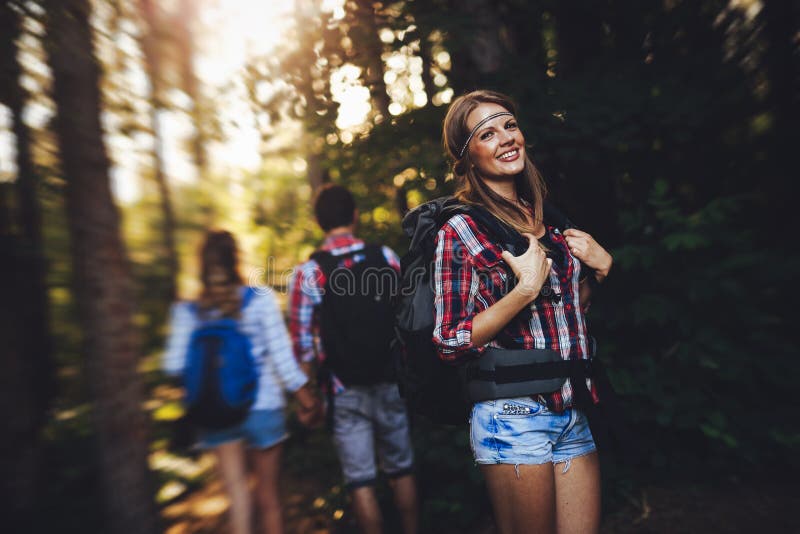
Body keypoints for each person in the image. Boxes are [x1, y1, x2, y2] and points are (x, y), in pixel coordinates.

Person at [433, 90, 613, 534]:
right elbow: (449, 339)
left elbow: (571, 310)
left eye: (509, 125)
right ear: (468, 157)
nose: (505, 138)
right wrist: (524, 289)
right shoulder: (461, 230)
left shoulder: (548, 219)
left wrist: (602, 272)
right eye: (486, 133)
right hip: (512, 416)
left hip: (571, 409)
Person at [163, 230, 321, 534]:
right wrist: (308, 402)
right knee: (268, 498)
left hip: (216, 412)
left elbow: (173, 366)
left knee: (238, 497)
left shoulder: (187, 310)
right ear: (237, 260)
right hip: (264, 408)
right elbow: (283, 361)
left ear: (202, 265)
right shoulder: (260, 299)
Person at [288, 184, 419, 534]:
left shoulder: (309, 273)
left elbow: (301, 344)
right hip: (390, 379)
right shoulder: (386, 257)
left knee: (361, 481)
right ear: (355, 216)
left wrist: (308, 401)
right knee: (401, 470)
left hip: (343, 387)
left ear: (318, 222)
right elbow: (407, 317)